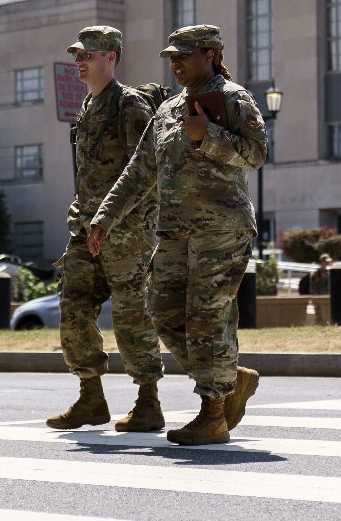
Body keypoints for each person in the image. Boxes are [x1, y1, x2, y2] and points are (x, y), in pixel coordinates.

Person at [89, 24, 268, 446]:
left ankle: (212, 414)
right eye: (171, 58)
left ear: (210, 54)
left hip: (221, 230)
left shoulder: (233, 98)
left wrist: (210, 136)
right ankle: (229, 380)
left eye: (183, 56)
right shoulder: (168, 110)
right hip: (173, 232)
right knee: (162, 310)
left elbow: (257, 154)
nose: (175, 65)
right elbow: (139, 171)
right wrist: (104, 216)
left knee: (208, 319)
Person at [47, 26, 165, 433]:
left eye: (88, 54)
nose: (79, 61)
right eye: (77, 55)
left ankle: (148, 401)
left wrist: (113, 219)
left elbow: (148, 171)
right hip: (85, 228)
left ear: (111, 56)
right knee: (74, 305)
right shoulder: (87, 107)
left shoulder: (129, 106)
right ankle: (91, 397)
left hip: (127, 231)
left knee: (132, 314)